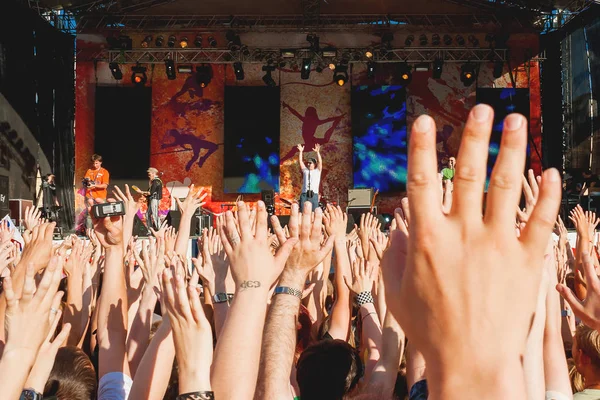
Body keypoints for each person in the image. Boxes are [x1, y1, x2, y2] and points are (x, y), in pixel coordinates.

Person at [297, 143, 322, 211]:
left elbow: (320, 162)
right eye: (308, 163)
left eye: (310, 163)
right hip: (304, 194)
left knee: (314, 211)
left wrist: (317, 152)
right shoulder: (305, 171)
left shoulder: (317, 171)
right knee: (303, 211)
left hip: (314, 195)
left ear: (314, 164)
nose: (308, 164)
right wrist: (301, 151)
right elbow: (300, 162)